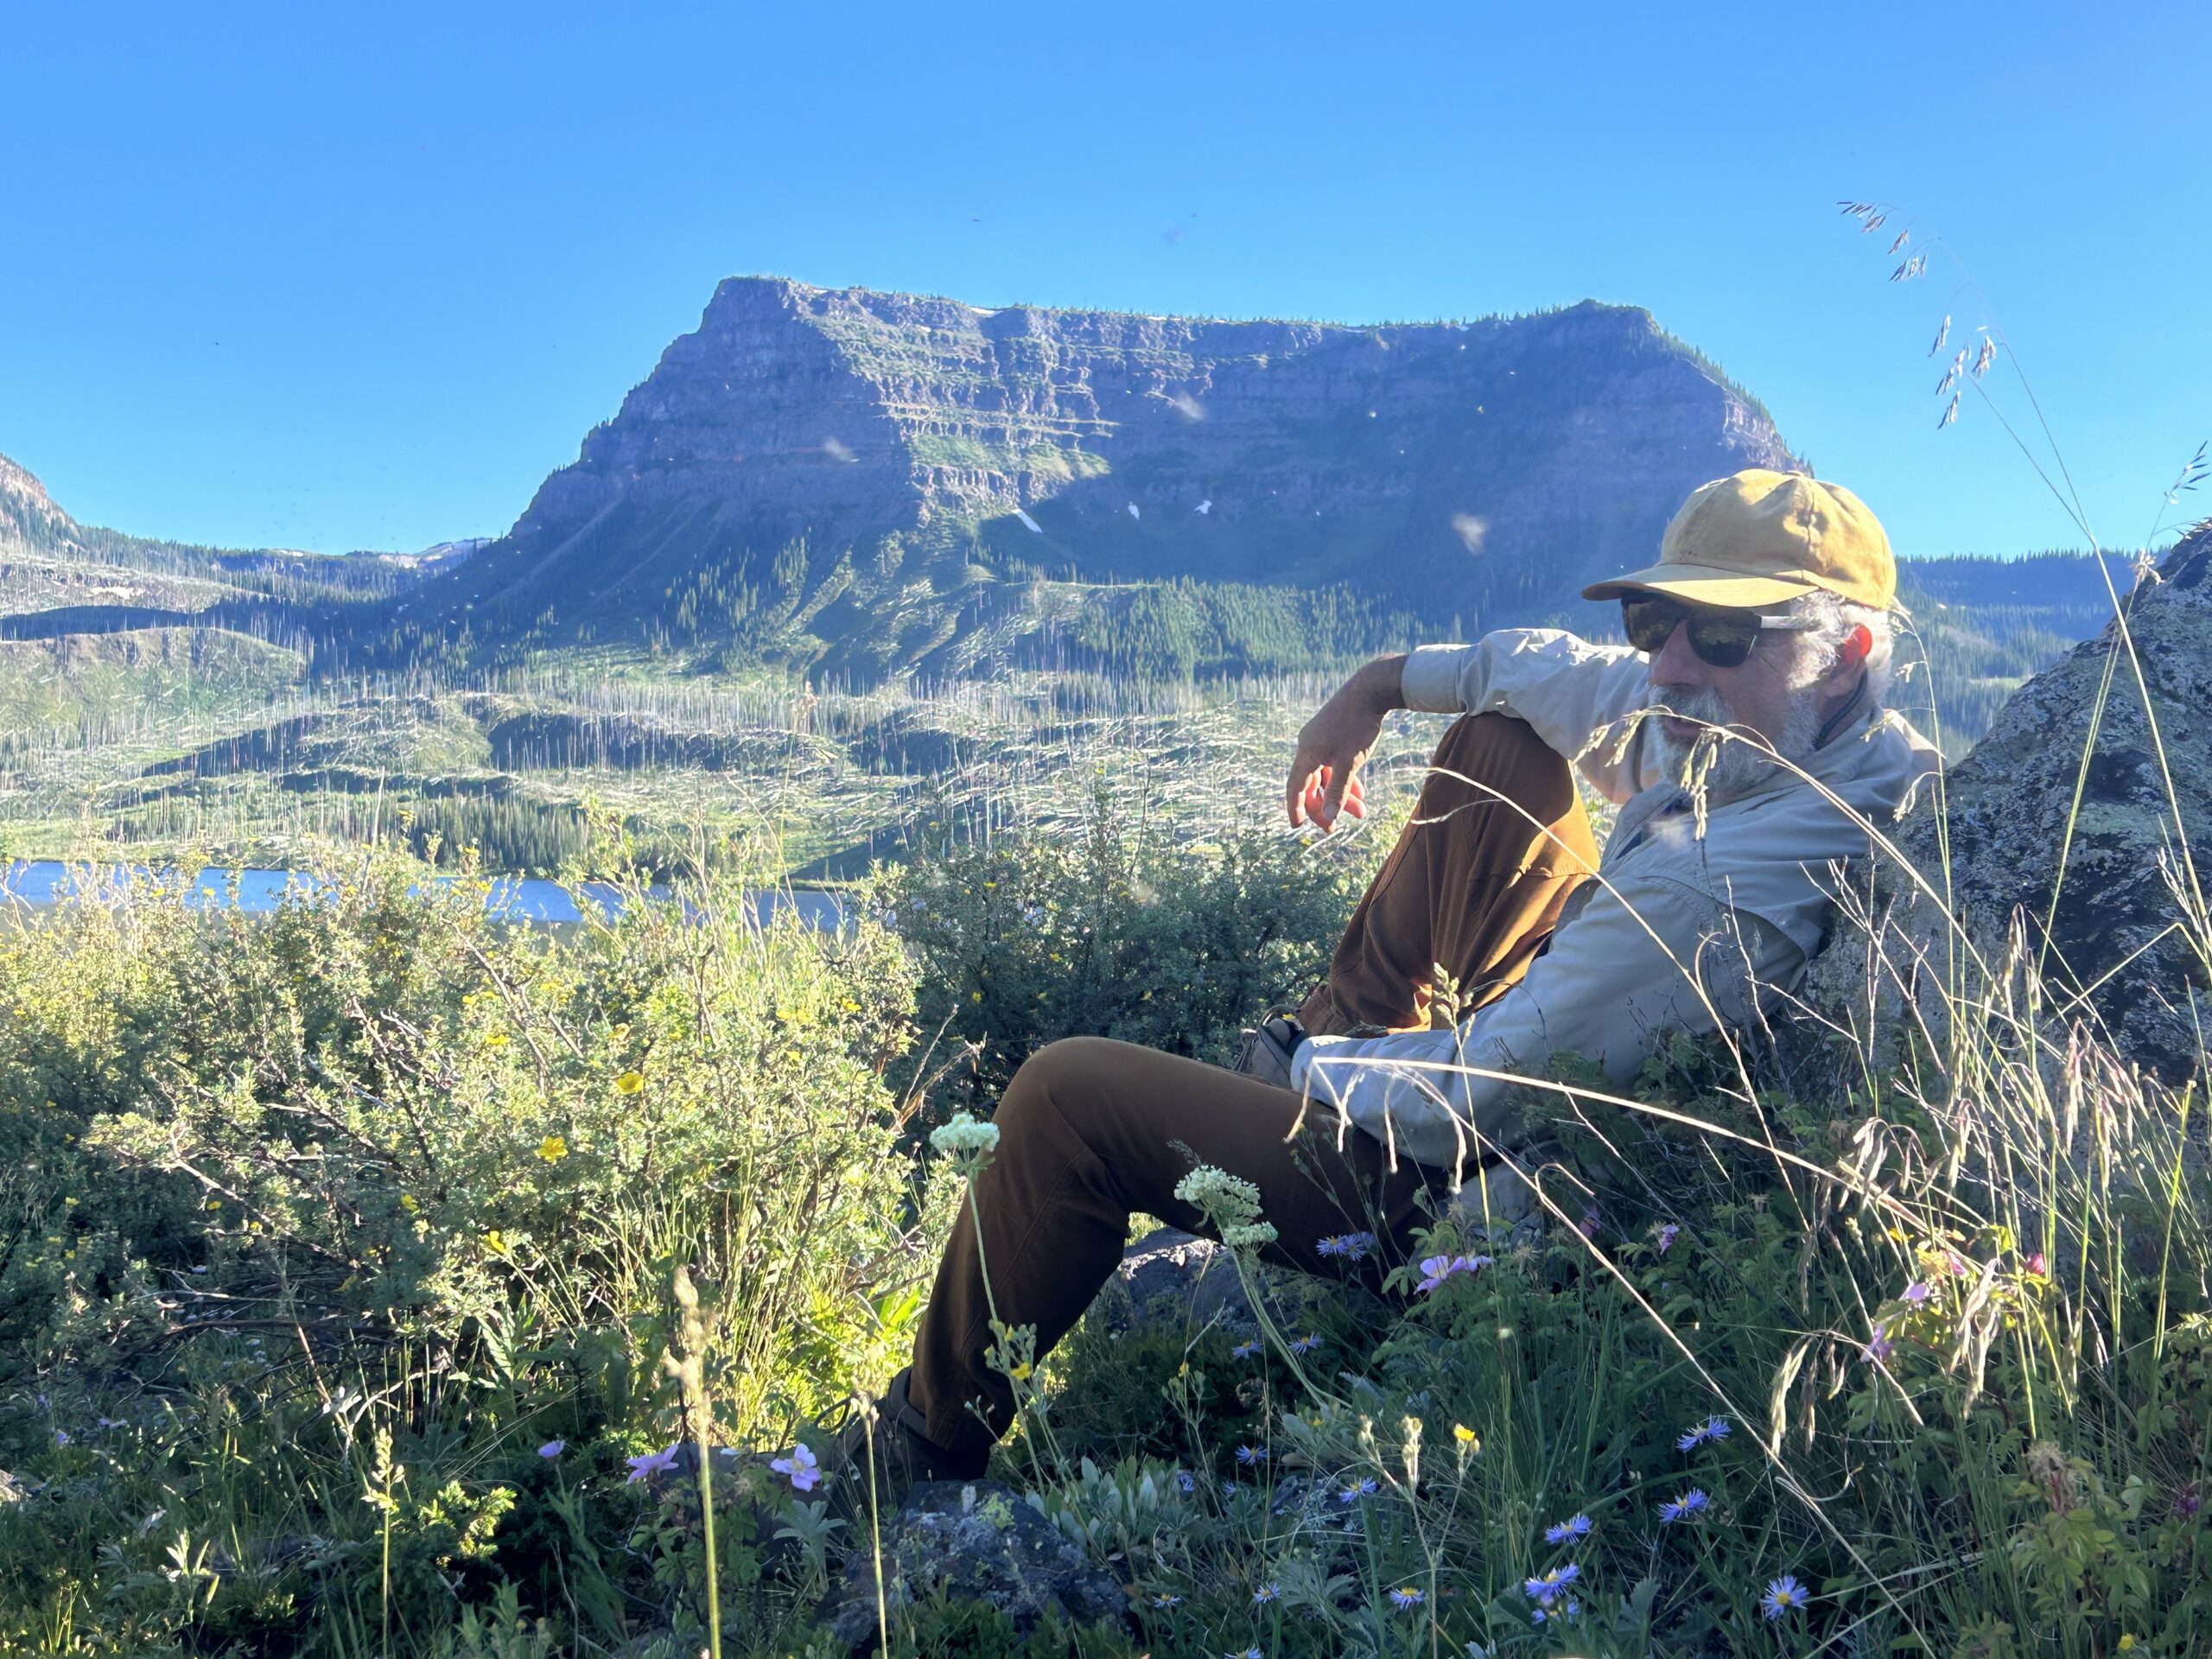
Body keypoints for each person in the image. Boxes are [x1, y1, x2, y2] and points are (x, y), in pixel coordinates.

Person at [818, 467, 1939, 1508]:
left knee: (1067, 1099)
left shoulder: (1727, 877)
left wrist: (1312, 1070)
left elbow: (1487, 1088)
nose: (1669, 664)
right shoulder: (1772, 735)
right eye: (1654, 622)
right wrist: (1377, 687)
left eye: (1724, 631)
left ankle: (919, 1451)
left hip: (1496, 1193)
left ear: (1845, 649)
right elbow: (1555, 678)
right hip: (1555, 1052)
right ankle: (1308, 1048)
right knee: (1500, 743)